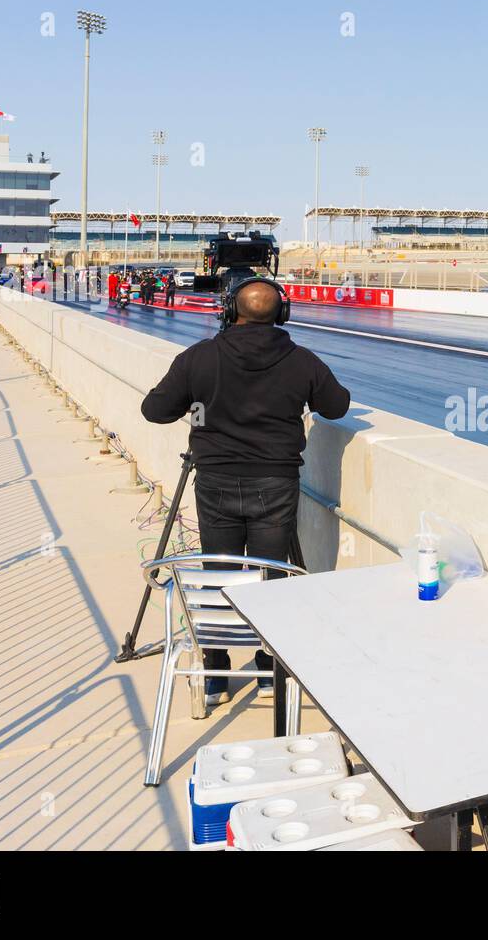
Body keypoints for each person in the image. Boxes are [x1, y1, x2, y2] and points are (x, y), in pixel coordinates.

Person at [140, 280, 351, 704]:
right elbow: (337, 406)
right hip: (275, 482)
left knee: (218, 573)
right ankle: (270, 668)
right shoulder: (301, 361)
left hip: (215, 482)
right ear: (282, 314)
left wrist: (201, 402)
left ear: (228, 310)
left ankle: (215, 673)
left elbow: (155, 410)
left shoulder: (199, 357)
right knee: (272, 576)